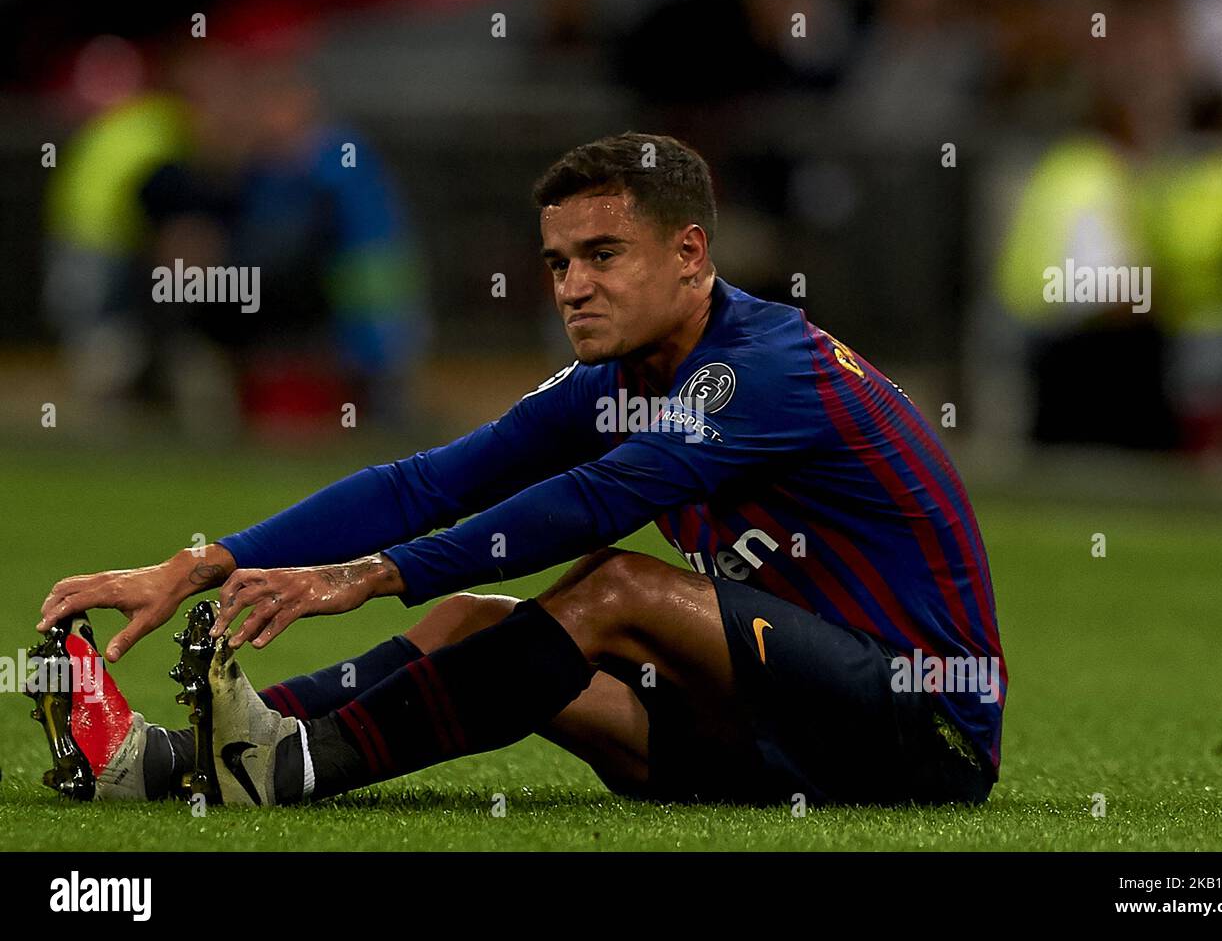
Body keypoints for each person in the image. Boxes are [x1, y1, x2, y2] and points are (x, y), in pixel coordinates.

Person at [35, 132, 1005, 808]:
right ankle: (177, 758)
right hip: (771, 729)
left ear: (689, 252)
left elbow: (594, 502)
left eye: (602, 253)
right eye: (556, 262)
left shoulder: (767, 368)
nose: (572, 285)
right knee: (477, 620)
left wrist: (369, 574)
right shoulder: (622, 370)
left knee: (616, 583)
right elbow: (433, 481)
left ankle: (288, 767)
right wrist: (198, 560)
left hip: (921, 732)